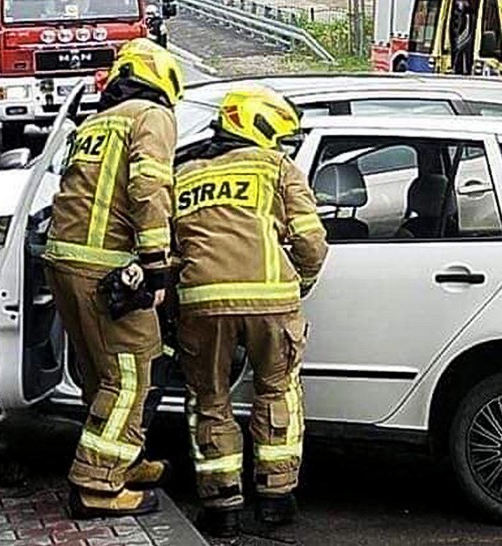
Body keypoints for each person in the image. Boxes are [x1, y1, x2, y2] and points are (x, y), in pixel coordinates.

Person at [173, 88, 328, 537]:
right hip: (270, 302)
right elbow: (310, 241)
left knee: (210, 400)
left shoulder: (184, 174)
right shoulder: (277, 168)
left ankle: (222, 507)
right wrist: (301, 282)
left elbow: (166, 245)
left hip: (202, 303)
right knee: (277, 391)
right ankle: (277, 499)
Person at [43, 38, 183, 519]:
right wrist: (156, 260)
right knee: (132, 374)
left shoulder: (97, 123)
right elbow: (149, 186)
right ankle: (97, 487)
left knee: (101, 375)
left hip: (64, 261)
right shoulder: (151, 115)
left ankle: (125, 460)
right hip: (106, 267)